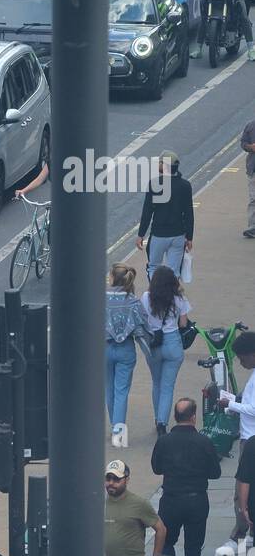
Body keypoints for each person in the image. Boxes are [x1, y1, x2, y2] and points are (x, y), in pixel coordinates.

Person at [151, 397, 222, 556]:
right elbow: (215, 473)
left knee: (167, 543)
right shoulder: (204, 442)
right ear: (193, 417)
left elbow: (156, 469)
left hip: (171, 500)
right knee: (193, 550)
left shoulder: (164, 441)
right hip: (196, 500)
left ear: (175, 417)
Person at [141, 265, 191, 435]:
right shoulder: (179, 298)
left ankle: (157, 419)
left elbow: (143, 319)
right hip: (172, 342)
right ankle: (162, 422)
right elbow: (183, 323)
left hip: (154, 343)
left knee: (156, 383)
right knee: (167, 386)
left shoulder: (146, 297)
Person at [106, 263, 150, 437]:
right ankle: (119, 433)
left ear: (113, 278)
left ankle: (113, 426)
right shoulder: (133, 301)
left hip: (104, 348)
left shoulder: (100, 299)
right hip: (126, 348)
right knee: (121, 391)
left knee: (109, 389)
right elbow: (143, 324)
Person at [136, 150, 193, 279]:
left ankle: (156, 295)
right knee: (174, 271)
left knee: (153, 267)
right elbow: (189, 213)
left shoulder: (155, 183)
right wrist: (189, 237)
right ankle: (171, 296)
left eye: (160, 162)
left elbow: (147, 211)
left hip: (158, 234)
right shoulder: (185, 185)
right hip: (178, 235)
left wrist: (141, 234)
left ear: (164, 165)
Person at [104, 460, 168, 556]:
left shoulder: (139, 503)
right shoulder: (99, 504)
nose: (111, 482)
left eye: (116, 479)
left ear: (126, 480)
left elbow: (161, 530)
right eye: (108, 478)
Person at [219, 329, 255, 440]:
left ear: (253, 355)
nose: (241, 363)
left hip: (250, 438)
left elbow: (253, 409)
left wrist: (230, 404)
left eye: (242, 359)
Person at [239, 115, 255, 239]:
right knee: (253, 199)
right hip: (253, 169)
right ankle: (252, 227)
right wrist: (251, 147)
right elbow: (243, 143)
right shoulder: (250, 125)